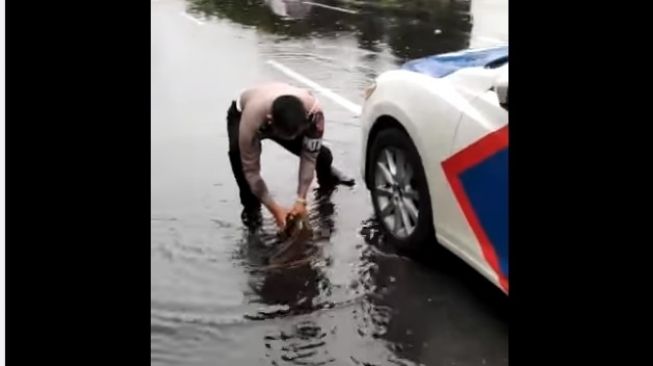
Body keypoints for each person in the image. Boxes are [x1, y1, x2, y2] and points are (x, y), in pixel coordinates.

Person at [227, 82, 354, 229]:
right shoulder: (252, 117)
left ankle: (328, 176)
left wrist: (301, 200)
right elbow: (251, 171)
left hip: (285, 116)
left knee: (322, 155)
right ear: (271, 122)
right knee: (240, 162)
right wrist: (275, 210)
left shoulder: (315, 113)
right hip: (242, 114)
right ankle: (251, 209)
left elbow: (309, 156)